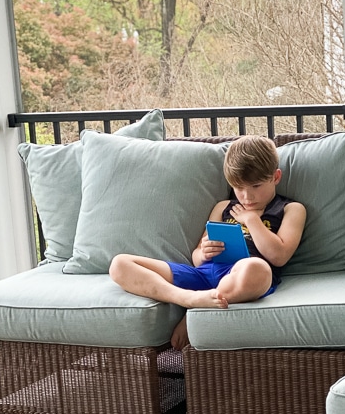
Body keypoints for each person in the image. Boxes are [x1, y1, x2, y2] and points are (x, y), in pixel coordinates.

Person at [110, 134, 307, 349]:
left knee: (257, 268)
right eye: (239, 188)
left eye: (256, 186)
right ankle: (190, 300)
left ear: (275, 177)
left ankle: (203, 307)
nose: (247, 197)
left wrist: (251, 220)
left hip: (244, 278)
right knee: (120, 264)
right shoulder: (223, 207)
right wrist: (204, 252)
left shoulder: (290, 209)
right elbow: (196, 258)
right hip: (205, 274)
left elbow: (279, 256)